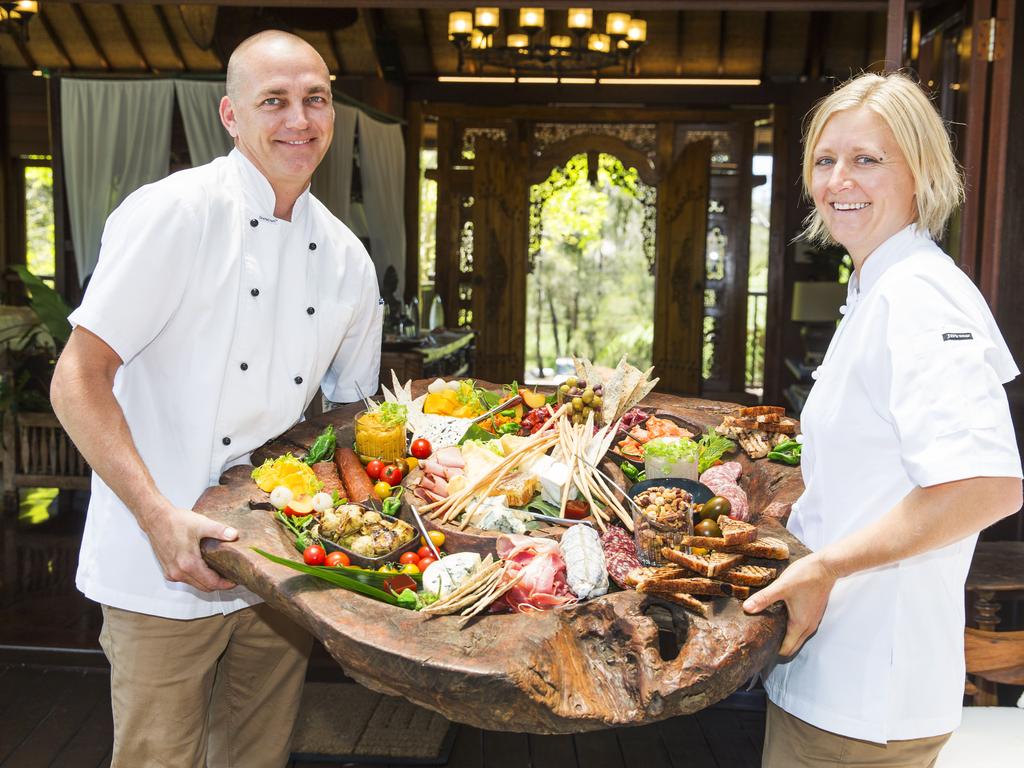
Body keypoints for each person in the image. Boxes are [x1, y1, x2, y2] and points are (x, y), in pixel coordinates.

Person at [50, 31, 383, 767]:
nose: (299, 119)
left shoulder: (347, 260)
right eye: (275, 101)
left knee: (256, 758)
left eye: (315, 99)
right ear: (231, 116)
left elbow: (349, 421)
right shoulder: (174, 212)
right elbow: (77, 378)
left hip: (276, 568)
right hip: (158, 560)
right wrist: (155, 515)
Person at [743, 71, 1022, 767]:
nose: (842, 180)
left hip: (864, 693)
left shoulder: (919, 298)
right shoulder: (878, 285)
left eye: (868, 159)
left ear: (921, 172)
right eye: (826, 159)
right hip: (834, 670)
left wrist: (825, 567)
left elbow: (986, 485)